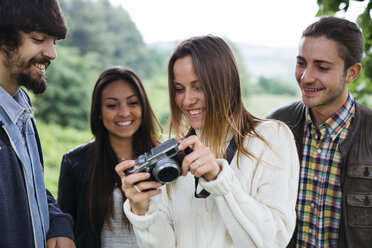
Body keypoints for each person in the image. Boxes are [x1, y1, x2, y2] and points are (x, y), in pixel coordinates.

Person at [115, 35, 300, 248]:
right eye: (179, 89)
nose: (186, 100)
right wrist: (142, 210)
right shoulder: (175, 155)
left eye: (198, 87)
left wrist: (220, 180)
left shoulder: (271, 137)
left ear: (225, 83)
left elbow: (273, 241)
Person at [267, 16, 372, 247]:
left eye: (322, 67)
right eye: (301, 62)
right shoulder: (276, 126)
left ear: (352, 73)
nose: (306, 77)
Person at [57, 67, 162, 248]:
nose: (124, 112)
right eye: (112, 105)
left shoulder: (164, 159)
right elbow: (65, 227)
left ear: (144, 106)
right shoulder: (75, 162)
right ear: (99, 111)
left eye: (133, 103)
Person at [0, 0, 75, 247]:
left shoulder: (22, 110)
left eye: (53, 42)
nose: (52, 53)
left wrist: (57, 223)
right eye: (38, 39)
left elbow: (30, 190)